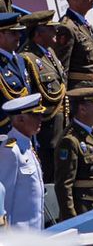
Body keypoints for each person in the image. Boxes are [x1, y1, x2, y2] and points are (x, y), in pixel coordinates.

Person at [0, 95, 47, 229]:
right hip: (17, 236)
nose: (40, 119)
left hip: (34, 234)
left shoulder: (27, 145)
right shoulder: (10, 150)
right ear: (20, 119)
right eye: (35, 115)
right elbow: (3, 197)